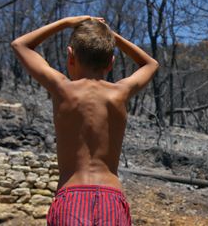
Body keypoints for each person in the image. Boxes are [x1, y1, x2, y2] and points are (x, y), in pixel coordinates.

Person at [11, 16, 159, 225]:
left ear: (70, 56)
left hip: (71, 198)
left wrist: (66, 23)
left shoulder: (63, 89)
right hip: (111, 200)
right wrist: (110, 36)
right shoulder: (120, 92)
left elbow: (21, 44)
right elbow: (150, 63)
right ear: (111, 63)